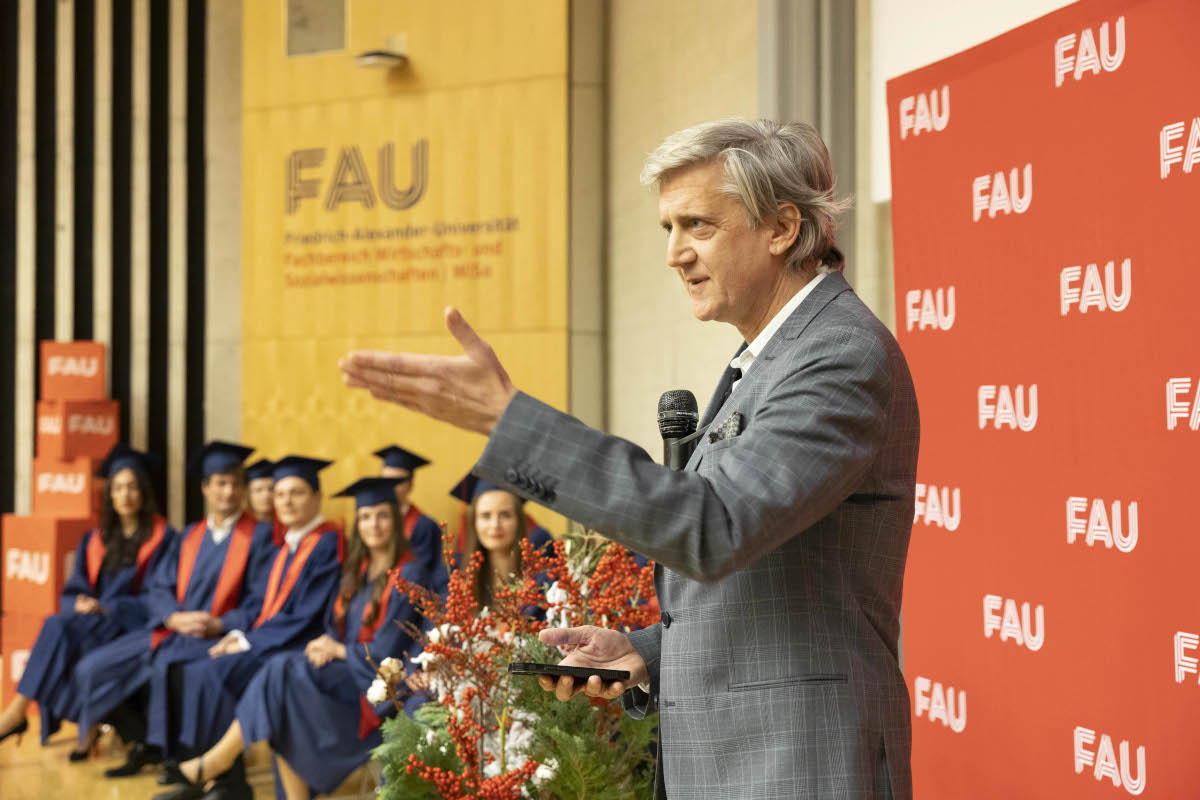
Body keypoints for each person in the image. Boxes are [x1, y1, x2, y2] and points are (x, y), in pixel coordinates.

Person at [340, 118, 920, 799]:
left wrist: (514, 426)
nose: (674, 253)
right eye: (668, 228)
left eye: (698, 224)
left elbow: (714, 526)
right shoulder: (773, 354)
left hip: (799, 766)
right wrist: (643, 652)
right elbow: (772, 587)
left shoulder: (838, 354)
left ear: (782, 228)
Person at [173, 477, 443, 799]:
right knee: (282, 688)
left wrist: (338, 650)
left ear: (396, 521)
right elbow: (334, 625)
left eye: (382, 515)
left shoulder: (409, 573)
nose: (374, 525)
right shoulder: (359, 569)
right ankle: (225, 762)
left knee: (281, 676)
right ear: (358, 523)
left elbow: (387, 650)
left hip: (376, 689)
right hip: (345, 676)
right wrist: (323, 646)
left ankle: (219, 759)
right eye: (366, 517)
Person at [75, 441, 275, 779]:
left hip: (215, 634)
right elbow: (159, 587)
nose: (228, 492)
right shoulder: (189, 535)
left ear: (243, 489)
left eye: (235, 484)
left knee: (171, 667)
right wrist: (173, 617)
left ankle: (174, 756)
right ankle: (144, 741)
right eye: (220, 483)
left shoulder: (259, 536)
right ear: (205, 488)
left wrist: (219, 623)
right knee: (92, 670)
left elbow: (260, 601)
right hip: (173, 629)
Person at [151, 455, 342, 800]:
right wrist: (238, 635)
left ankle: (223, 779)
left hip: (298, 645)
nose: (285, 501)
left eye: (296, 493)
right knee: (198, 668)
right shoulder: (289, 545)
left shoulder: (326, 544)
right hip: (273, 639)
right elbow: (266, 608)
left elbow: (304, 618)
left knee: (212, 672)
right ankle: (216, 781)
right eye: (279, 494)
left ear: (317, 497)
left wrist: (245, 642)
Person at [0, 444, 174, 756]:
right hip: (98, 623)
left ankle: (20, 713)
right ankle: (25, 711)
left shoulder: (164, 538)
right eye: (118, 488)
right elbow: (73, 590)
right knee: (57, 625)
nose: (125, 495)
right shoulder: (95, 540)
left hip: (134, 625)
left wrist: (109, 607)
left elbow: (161, 596)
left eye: (132, 487)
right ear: (109, 495)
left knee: (63, 638)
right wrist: (79, 603)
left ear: (144, 492)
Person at [449, 471, 553, 558]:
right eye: (486, 516)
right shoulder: (456, 572)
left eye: (505, 515)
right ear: (474, 521)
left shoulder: (538, 541)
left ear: (519, 519)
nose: (495, 525)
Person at [372, 444, 443, 570]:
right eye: (385, 480)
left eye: (397, 482)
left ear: (410, 485)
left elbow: (423, 573)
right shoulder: (371, 523)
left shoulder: (424, 527)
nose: (390, 487)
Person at [244, 458, 275, 522]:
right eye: (258, 490)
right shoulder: (237, 526)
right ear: (248, 495)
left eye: (271, 489)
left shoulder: (288, 524)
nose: (266, 495)